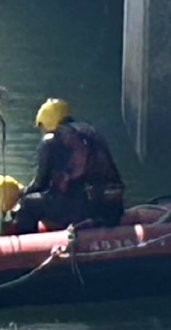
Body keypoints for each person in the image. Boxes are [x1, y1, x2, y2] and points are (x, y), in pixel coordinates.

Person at [14, 98, 125, 234]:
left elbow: (40, 184)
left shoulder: (52, 140)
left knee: (28, 204)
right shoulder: (89, 131)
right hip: (112, 206)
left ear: (47, 122)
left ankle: (27, 250)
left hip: (82, 208)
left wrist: (19, 195)